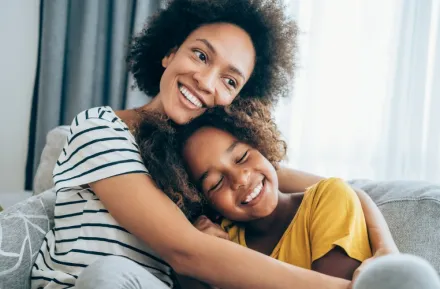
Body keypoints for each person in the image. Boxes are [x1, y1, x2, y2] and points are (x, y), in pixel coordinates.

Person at [31, 0, 397, 289]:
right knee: (107, 274)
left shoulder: (202, 163)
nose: (206, 81)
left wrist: (386, 251)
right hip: (88, 281)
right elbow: (184, 251)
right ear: (169, 53)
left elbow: (342, 189)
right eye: (201, 55)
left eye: (230, 80)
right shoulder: (100, 128)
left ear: (235, 101)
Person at [142, 102, 440, 289]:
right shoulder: (224, 241)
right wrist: (201, 256)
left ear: (261, 144)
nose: (241, 179)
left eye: (243, 157)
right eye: (216, 184)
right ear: (204, 202)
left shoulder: (328, 198)